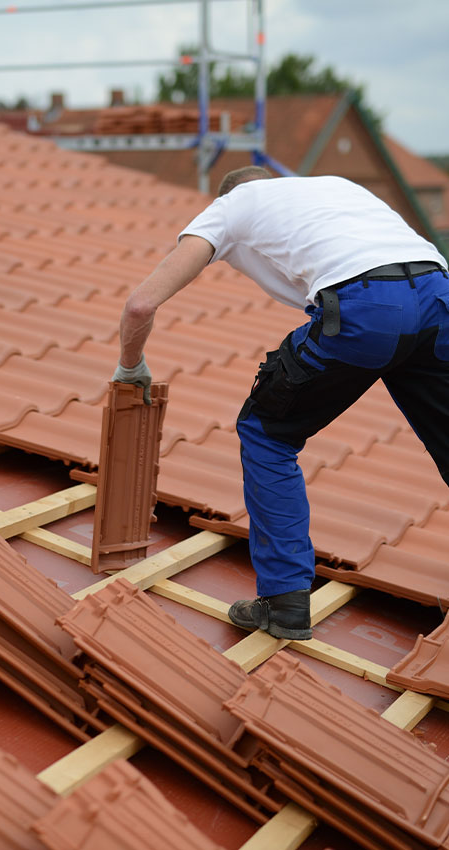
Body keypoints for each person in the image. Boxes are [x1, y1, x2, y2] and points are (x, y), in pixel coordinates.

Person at [113, 166, 449, 641]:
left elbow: (141, 305)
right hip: (439, 295)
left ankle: (284, 600)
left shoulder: (231, 206)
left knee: (267, 432)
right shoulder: (336, 186)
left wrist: (130, 367)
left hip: (367, 307)